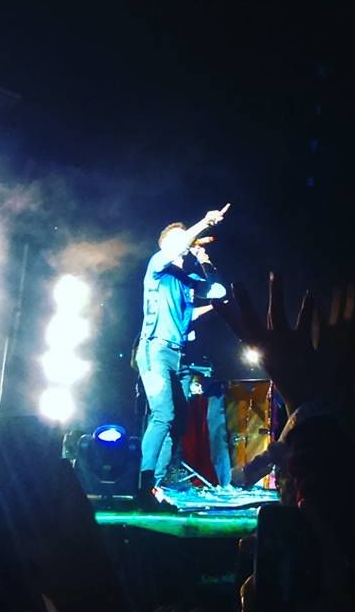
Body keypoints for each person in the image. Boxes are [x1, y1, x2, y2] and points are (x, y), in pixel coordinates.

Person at [134, 204, 229, 508]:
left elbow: (217, 291)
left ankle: (156, 484)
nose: (185, 243)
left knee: (179, 423)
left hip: (180, 358)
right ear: (167, 244)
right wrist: (204, 222)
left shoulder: (186, 280)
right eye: (180, 239)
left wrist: (204, 260)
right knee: (163, 414)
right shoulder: (158, 267)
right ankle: (143, 482)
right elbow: (177, 245)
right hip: (155, 350)